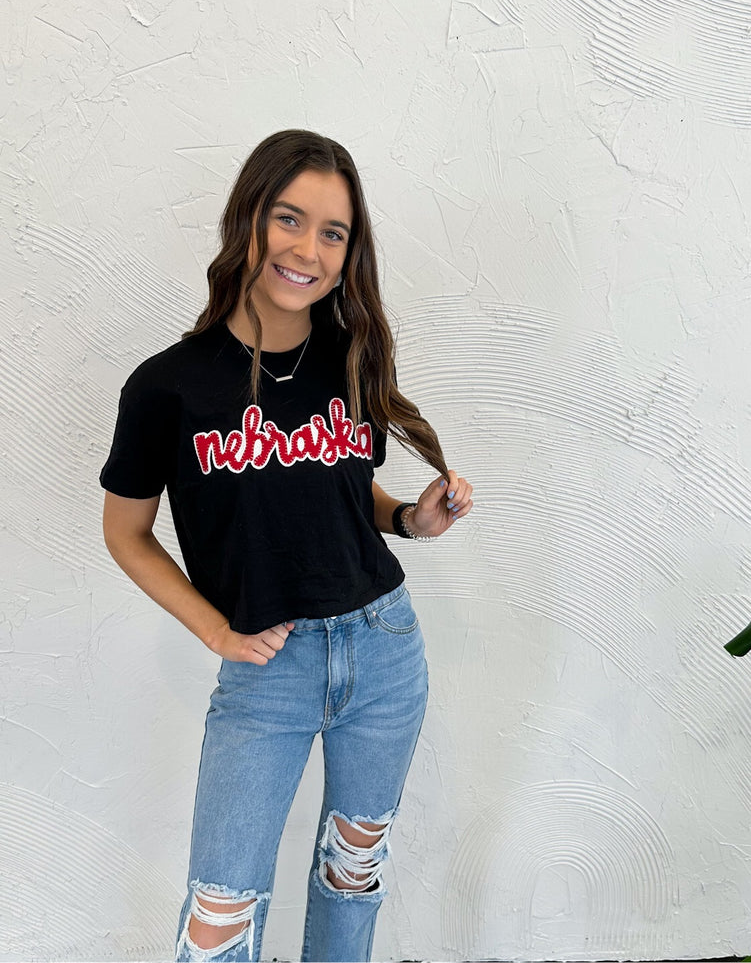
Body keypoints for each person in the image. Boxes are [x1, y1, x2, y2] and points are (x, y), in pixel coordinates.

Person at [100, 129, 473, 963]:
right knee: (220, 914)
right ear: (250, 220)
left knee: (352, 876)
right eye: (289, 219)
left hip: (384, 652)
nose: (308, 248)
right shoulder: (168, 385)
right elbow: (125, 532)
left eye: (333, 232)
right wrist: (216, 631)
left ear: (349, 251)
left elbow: (340, 492)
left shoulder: (351, 356)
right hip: (267, 670)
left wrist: (411, 520)